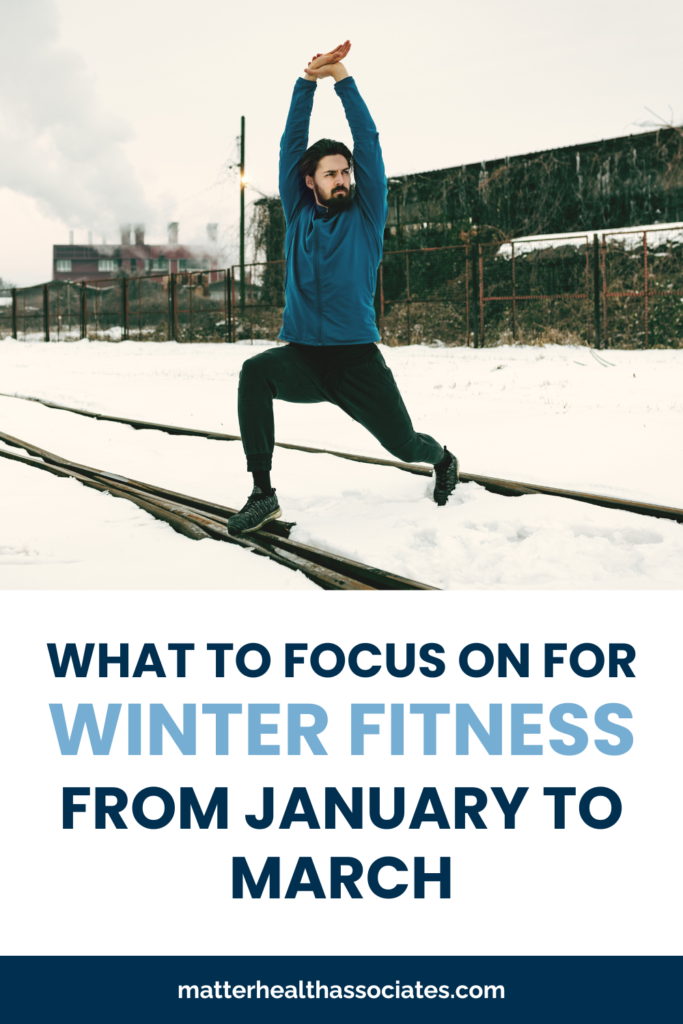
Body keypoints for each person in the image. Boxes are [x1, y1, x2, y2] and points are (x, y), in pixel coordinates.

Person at [229, 40, 458, 535]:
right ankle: (262, 493)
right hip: (304, 357)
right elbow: (292, 146)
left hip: (356, 361)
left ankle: (443, 458)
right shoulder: (298, 214)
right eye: (330, 173)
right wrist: (306, 83)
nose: (342, 178)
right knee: (255, 374)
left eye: (345, 171)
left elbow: (368, 141)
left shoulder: (367, 214)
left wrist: (343, 79)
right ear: (309, 182)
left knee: (404, 446)